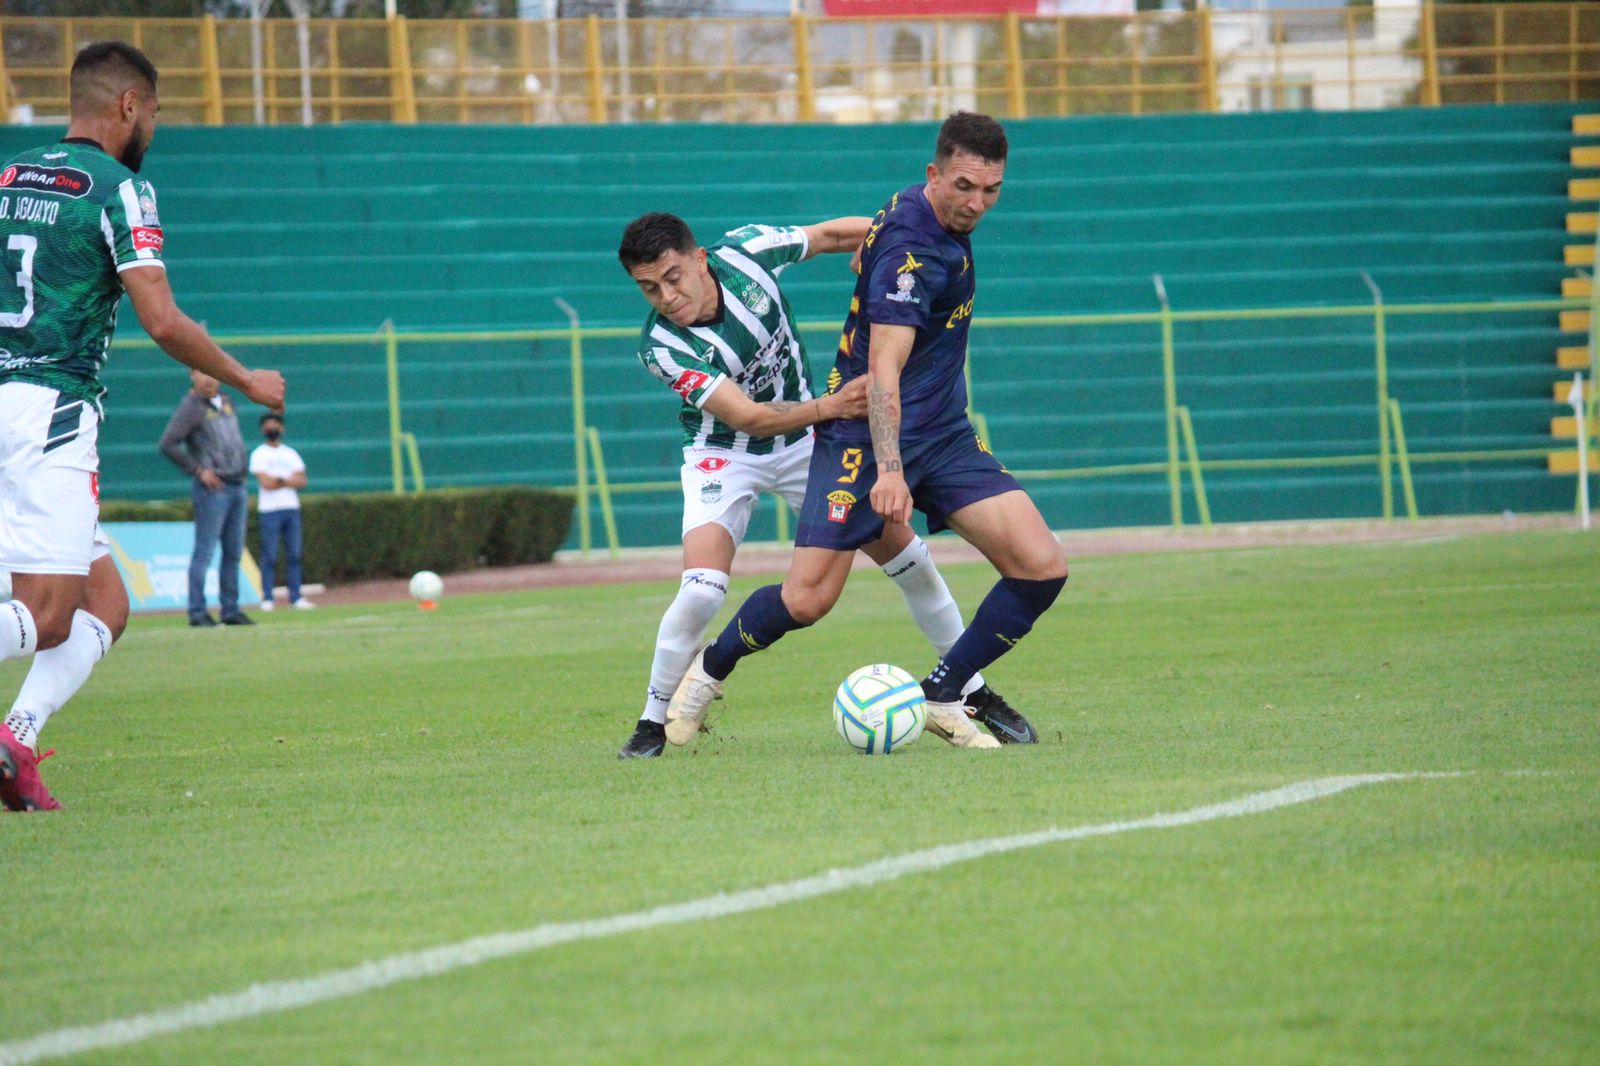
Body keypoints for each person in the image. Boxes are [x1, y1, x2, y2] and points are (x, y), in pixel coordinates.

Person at [667, 112, 1063, 751]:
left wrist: (868, 246)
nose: (977, 204)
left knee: (1041, 568)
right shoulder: (912, 253)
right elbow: (882, 371)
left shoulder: (913, 213)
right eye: (964, 186)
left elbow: (867, 237)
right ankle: (707, 671)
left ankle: (945, 693)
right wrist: (888, 469)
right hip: (864, 439)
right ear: (935, 175)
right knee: (807, 601)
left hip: (944, 434)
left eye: (991, 190)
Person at [615, 211, 1029, 759]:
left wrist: (879, 254)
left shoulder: (749, 251)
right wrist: (832, 406)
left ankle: (969, 692)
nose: (666, 296)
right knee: (701, 590)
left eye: (672, 277)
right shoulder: (661, 347)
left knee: (913, 561)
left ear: (700, 259)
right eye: (648, 288)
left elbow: (840, 234)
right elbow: (751, 418)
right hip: (725, 455)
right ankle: (652, 721)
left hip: (809, 443)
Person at [0, 42, 285, 811]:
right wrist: (247, 379)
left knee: (108, 607)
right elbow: (160, 321)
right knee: (51, 616)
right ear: (128, 105)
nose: (152, 125)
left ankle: (14, 738)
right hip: (50, 407)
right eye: (153, 111)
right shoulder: (120, 188)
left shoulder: (9, 175)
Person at [160, 368, 255, 627]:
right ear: (192, 375)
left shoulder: (225, 401)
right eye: (203, 374)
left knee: (234, 552)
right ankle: (197, 611)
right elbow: (168, 443)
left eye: (212, 373)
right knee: (205, 551)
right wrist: (199, 470)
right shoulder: (191, 407)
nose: (210, 379)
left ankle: (230, 609)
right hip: (214, 489)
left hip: (236, 484)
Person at [249, 412, 312, 611]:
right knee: (270, 555)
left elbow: (302, 480)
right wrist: (287, 480)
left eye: (275, 424)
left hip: (291, 508)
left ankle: (296, 597)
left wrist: (278, 480)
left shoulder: (290, 453)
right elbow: (265, 483)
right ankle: (267, 597)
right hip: (269, 510)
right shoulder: (259, 453)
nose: (271, 428)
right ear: (262, 429)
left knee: (294, 554)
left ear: (282, 428)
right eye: (267, 425)